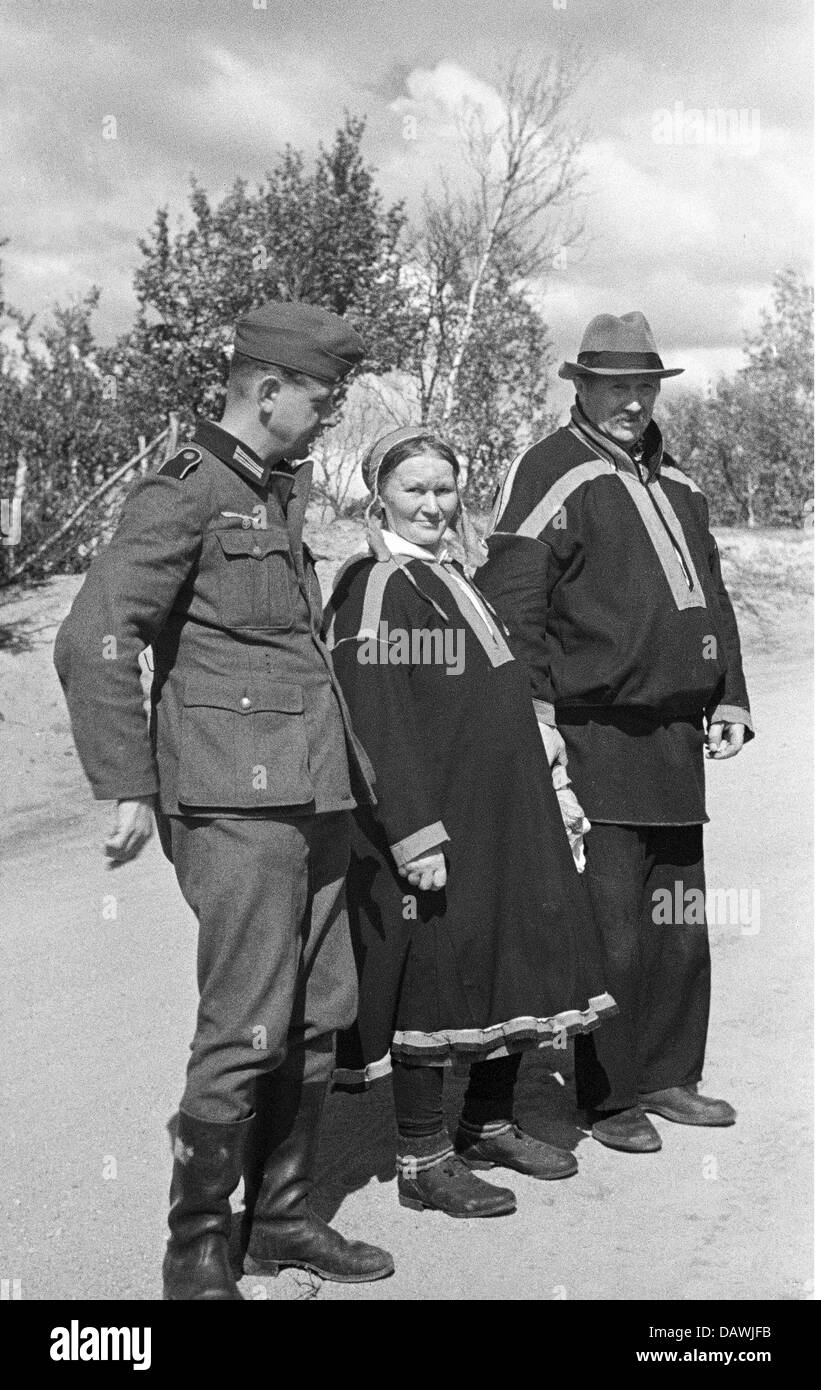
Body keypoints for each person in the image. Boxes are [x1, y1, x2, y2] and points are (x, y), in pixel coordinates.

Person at [53, 301, 394, 1299]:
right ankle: (196, 1252)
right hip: (234, 807)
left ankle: (281, 1221)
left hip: (312, 795)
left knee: (318, 1013)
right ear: (270, 391)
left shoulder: (271, 492)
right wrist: (124, 784)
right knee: (245, 1022)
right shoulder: (187, 490)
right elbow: (94, 636)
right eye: (321, 400)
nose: (327, 416)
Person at [476, 311, 753, 1154]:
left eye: (643, 386)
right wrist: (533, 713)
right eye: (615, 387)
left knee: (675, 919)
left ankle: (669, 1075)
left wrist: (730, 696)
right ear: (582, 387)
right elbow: (513, 599)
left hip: (674, 737)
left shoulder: (683, 485)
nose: (631, 402)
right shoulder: (550, 469)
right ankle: (607, 1096)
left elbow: (711, 597)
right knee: (609, 926)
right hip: (592, 731)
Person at [324, 425, 617, 1218]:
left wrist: (552, 787)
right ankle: (423, 1160)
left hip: (505, 816)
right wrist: (413, 831)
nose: (431, 503)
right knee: (436, 975)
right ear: (377, 494)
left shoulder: (455, 579)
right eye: (413, 488)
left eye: (443, 489)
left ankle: (487, 1122)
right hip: (436, 828)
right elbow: (373, 720)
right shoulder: (378, 584)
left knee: (510, 959)